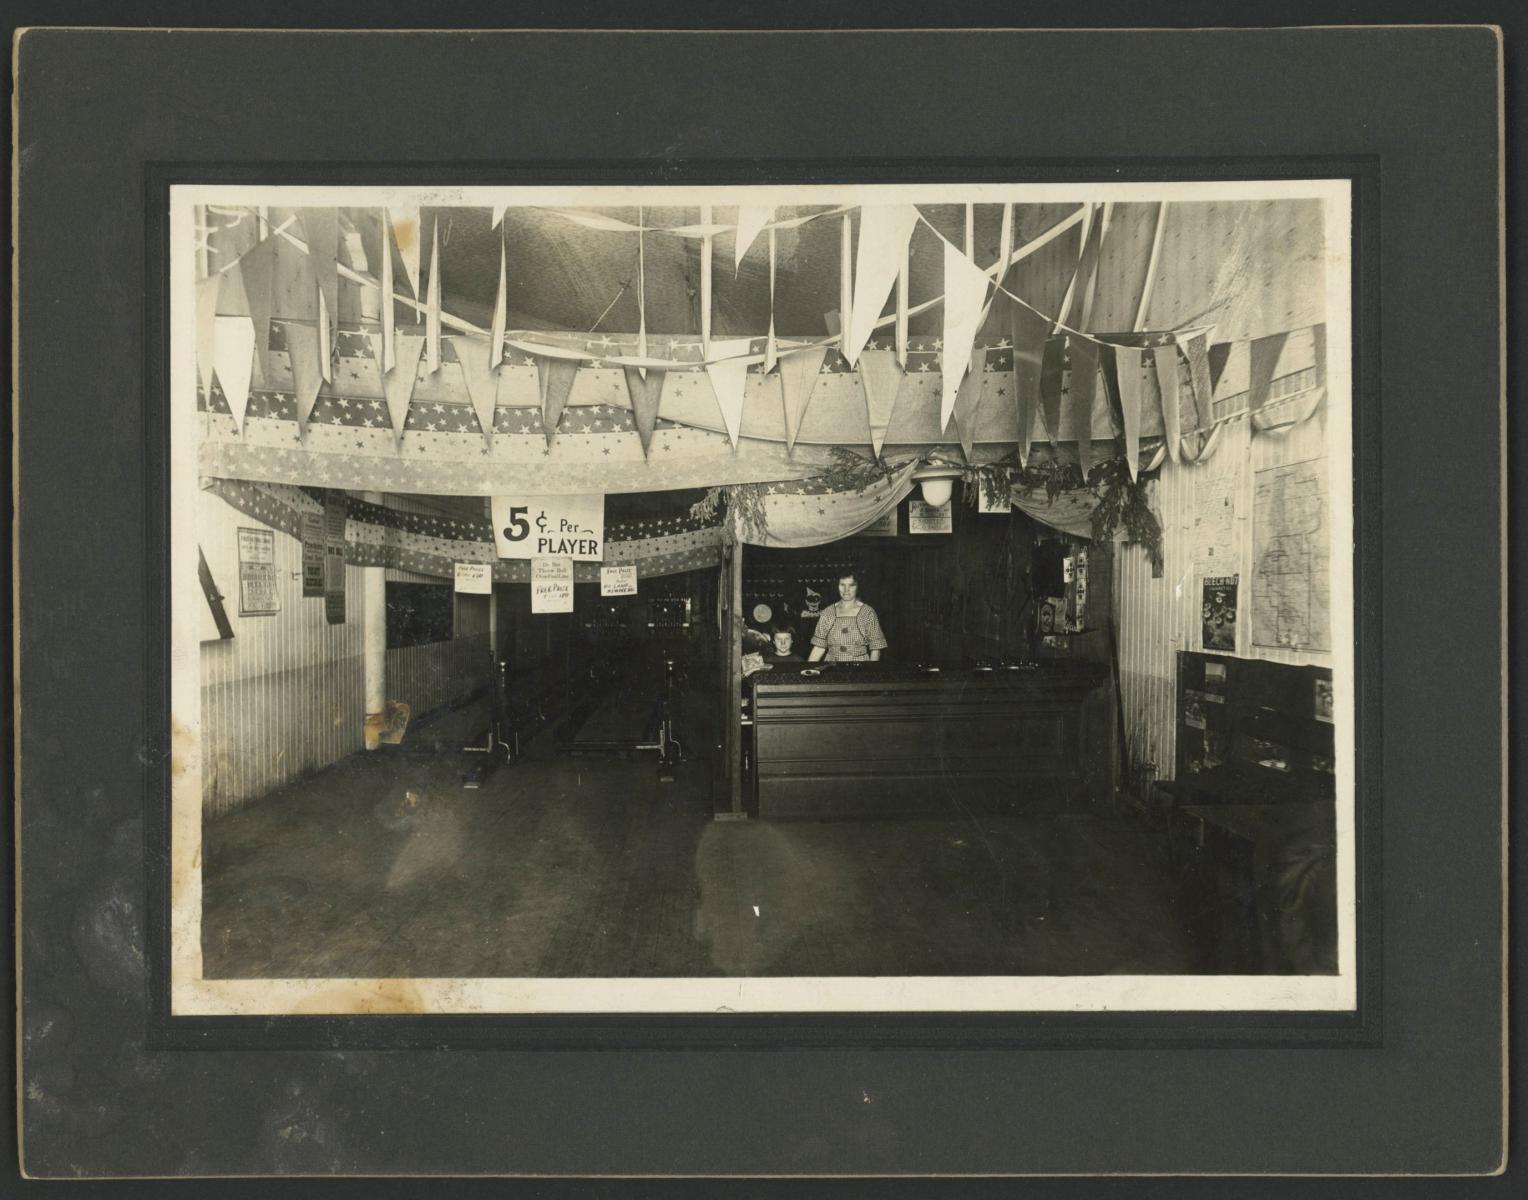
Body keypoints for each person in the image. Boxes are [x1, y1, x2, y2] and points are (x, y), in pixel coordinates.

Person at [808, 570, 887, 663]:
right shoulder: (827, 612)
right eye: (842, 585)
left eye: (851, 585)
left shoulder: (868, 612)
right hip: (831, 667)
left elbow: (876, 648)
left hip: (860, 668)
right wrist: (807, 671)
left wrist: (870, 672)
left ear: (858, 587)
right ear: (837, 586)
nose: (846, 590)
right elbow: (819, 647)